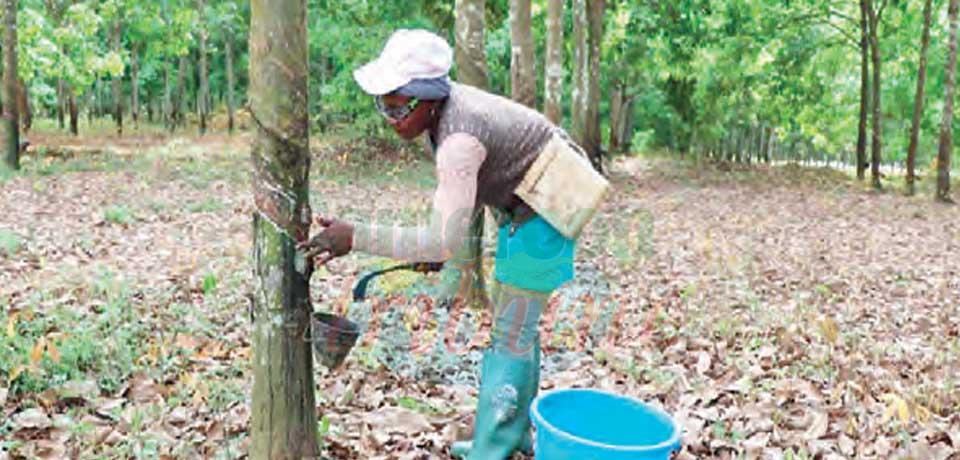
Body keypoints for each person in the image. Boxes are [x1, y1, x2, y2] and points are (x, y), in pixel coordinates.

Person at [299, 29, 607, 460]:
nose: (389, 118)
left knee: (512, 334)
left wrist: (358, 237)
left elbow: (442, 235)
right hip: (524, 203)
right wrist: (437, 247)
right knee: (516, 325)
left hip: (547, 210)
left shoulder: (459, 141)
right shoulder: (443, 114)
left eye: (396, 106)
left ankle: (492, 448)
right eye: (382, 105)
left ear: (428, 98)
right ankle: (513, 434)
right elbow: (457, 210)